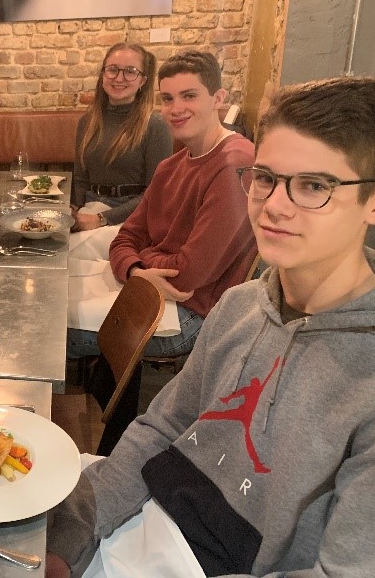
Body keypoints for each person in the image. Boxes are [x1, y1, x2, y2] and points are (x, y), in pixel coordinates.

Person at [47, 75, 375, 578]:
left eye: (314, 186)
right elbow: (162, 426)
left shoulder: (372, 382)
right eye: (265, 177)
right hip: (140, 513)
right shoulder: (241, 306)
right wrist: (74, 531)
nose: (273, 205)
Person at [68, 50, 256, 454]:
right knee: (55, 290)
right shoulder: (173, 165)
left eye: (189, 96)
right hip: (150, 288)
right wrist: (136, 268)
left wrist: (140, 261)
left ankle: (73, 439)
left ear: (218, 98)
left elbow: (187, 277)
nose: (176, 109)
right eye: (167, 99)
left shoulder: (234, 164)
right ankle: (96, 417)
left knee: (51, 329)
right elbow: (126, 237)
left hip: (189, 313)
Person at [70, 42, 171, 230]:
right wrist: (71, 211)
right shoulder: (87, 122)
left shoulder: (155, 125)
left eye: (130, 71)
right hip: (90, 209)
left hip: (132, 216)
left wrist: (101, 219)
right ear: (103, 75)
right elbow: (81, 180)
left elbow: (156, 193)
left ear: (142, 81)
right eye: (113, 70)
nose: (119, 78)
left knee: (75, 253)